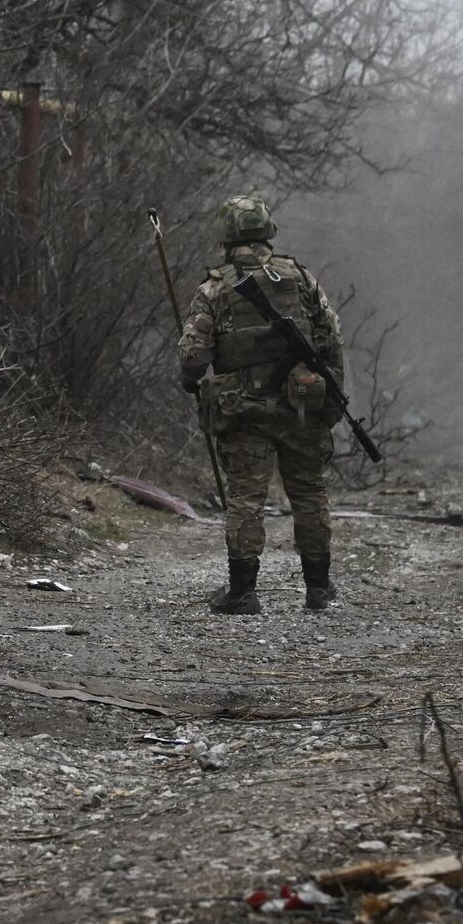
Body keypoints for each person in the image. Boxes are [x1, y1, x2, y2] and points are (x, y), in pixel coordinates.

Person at [177, 195, 345, 614]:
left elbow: (193, 356)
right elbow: (331, 338)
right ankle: (319, 589)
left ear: (226, 237)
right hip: (302, 406)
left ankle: (243, 593)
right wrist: (332, 398)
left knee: (246, 498)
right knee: (309, 493)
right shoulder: (302, 278)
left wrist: (190, 379)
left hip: (244, 411)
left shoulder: (215, 287)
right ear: (267, 231)